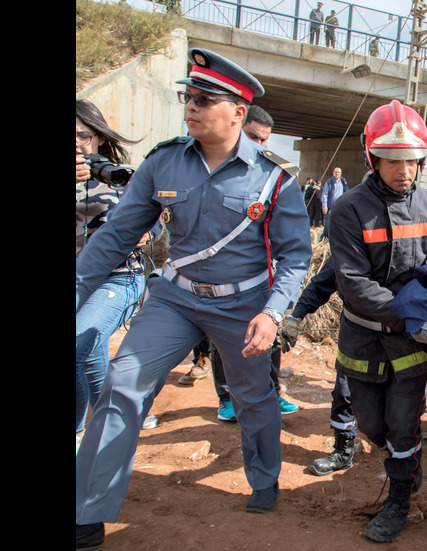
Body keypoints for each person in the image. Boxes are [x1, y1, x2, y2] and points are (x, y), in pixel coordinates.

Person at [75, 49, 312, 549]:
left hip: (245, 307)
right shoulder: (164, 162)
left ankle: (265, 477)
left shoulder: (275, 178)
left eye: (205, 100)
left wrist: (272, 313)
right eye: (189, 97)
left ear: (238, 113)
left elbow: (294, 258)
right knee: (122, 384)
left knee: (252, 397)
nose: (192, 107)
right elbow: (117, 235)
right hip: (175, 299)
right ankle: (86, 511)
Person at [327, 99, 427, 543]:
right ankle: (404, 461)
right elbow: (353, 282)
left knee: (403, 424)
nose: (404, 170)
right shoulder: (347, 210)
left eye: (411, 161)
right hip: (364, 338)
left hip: (414, 342)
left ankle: (399, 498)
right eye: (393, 160)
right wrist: (407, 313)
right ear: (372, 158)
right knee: (373, 427)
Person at [206, 104, 299, 420]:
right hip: (223, 276)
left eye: (264, 141)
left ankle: (271, 393)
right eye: (252, 137)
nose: (258, 147)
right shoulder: (211, 171)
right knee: (226, 339)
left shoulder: (275, 174)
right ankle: (227, 398)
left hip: (264, 274)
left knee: (268, 334)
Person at [76, 99, 159, 438]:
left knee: (79, 344)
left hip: (118, 278)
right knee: (91, 355)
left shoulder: (119, 175)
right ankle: (116, 420)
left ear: (97, 137)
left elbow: (160, 221)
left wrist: (146, 233)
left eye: (82, 135)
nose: (76, 143)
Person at [277, 256, 364, 475]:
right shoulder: (349, 242)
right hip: (357, 331)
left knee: (402, 395)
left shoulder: (407, 237)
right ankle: (343, 450)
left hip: (399, 334)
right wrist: (295, 318)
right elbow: (321, 285)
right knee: (345, 390)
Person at [318, 166, 347, 241]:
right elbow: (325, 194)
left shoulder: (343, 182)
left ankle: (335, 238)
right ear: (333, 173)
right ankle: (324, 237)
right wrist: (324, 205)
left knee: (338, 223)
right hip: (330, 207)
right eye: (335, 172)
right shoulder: (329, 182)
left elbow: (346, 193)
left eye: (338, 172)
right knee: (327, 223)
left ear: (341, 174)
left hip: (339, 207)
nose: (337, 173)